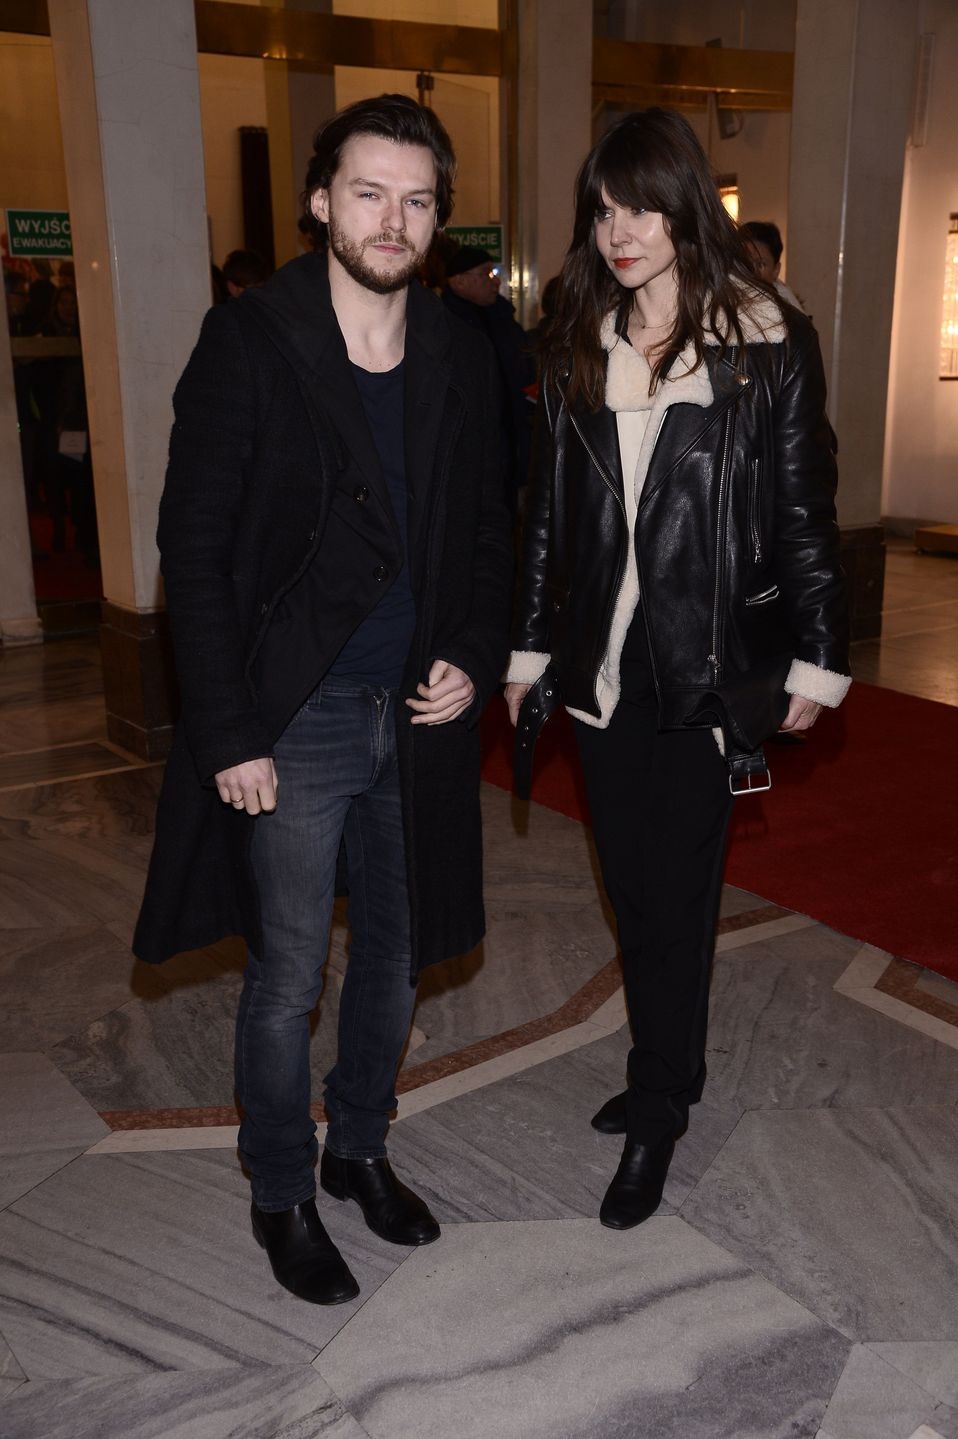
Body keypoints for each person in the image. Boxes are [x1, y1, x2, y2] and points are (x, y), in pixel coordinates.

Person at [134, 94, 513, 1305]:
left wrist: (473, 648)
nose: (392, 219)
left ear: (438, 219)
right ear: (319, 202)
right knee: (289, 969)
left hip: (419, 710)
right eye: (368, 193)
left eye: (416, 200)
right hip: (293, 713)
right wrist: (229, 729)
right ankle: (281, 1188)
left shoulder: (458, 350)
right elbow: (192, 549)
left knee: (396, 956)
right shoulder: (250, 341)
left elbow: (488, 532)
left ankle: (357, 1146)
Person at [504, 109, 850, 1231]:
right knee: (630, 885)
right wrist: (527, 652)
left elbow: (803, 512)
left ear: (686, 208)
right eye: (604, 210)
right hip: (604, 668)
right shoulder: (576, 337)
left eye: (643, 207)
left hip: (706, 664)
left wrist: (817, 660)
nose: (620, 231)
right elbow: (546, 518)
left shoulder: (765, 341)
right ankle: (672, 1063)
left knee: (677, 889)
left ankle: (658, 1103)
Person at [442, 243, 534, 508]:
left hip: (511, 441)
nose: (496, 281)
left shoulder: (504, 318)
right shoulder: (443, 326)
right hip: (470, 451)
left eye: (495, 273)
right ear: (459, 281)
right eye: (486, 274)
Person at [740, 219, 804, 312]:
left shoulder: (786, 308)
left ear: (776, 270)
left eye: (760, 264)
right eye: (744, 262)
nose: (752, 271)